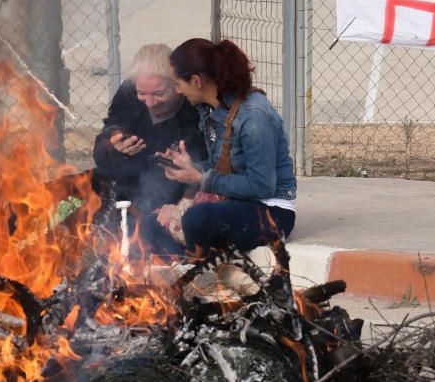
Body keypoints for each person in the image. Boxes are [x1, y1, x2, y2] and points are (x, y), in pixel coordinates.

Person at [155, 38, 297, 255]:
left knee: (197, 219)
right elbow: (221, 167)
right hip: (235, 203)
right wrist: (187, 167)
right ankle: (172, 272)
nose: (177, 91)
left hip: (271, 212)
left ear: (196, 81)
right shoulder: (212, 110)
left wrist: (202, 179)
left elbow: (261, 186)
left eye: (177, 84)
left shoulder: (253, 116)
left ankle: (202, 272)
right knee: (152, 221)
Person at [93, 44, 206, 222]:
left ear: (177, 85)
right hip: (125, 189)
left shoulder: (193, 108)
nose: (150, 102)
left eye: (159, 94)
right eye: (142, 93)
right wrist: (113, 145)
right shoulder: (128, 93)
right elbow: (100, 152)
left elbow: (203, 169)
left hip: (169, 198)